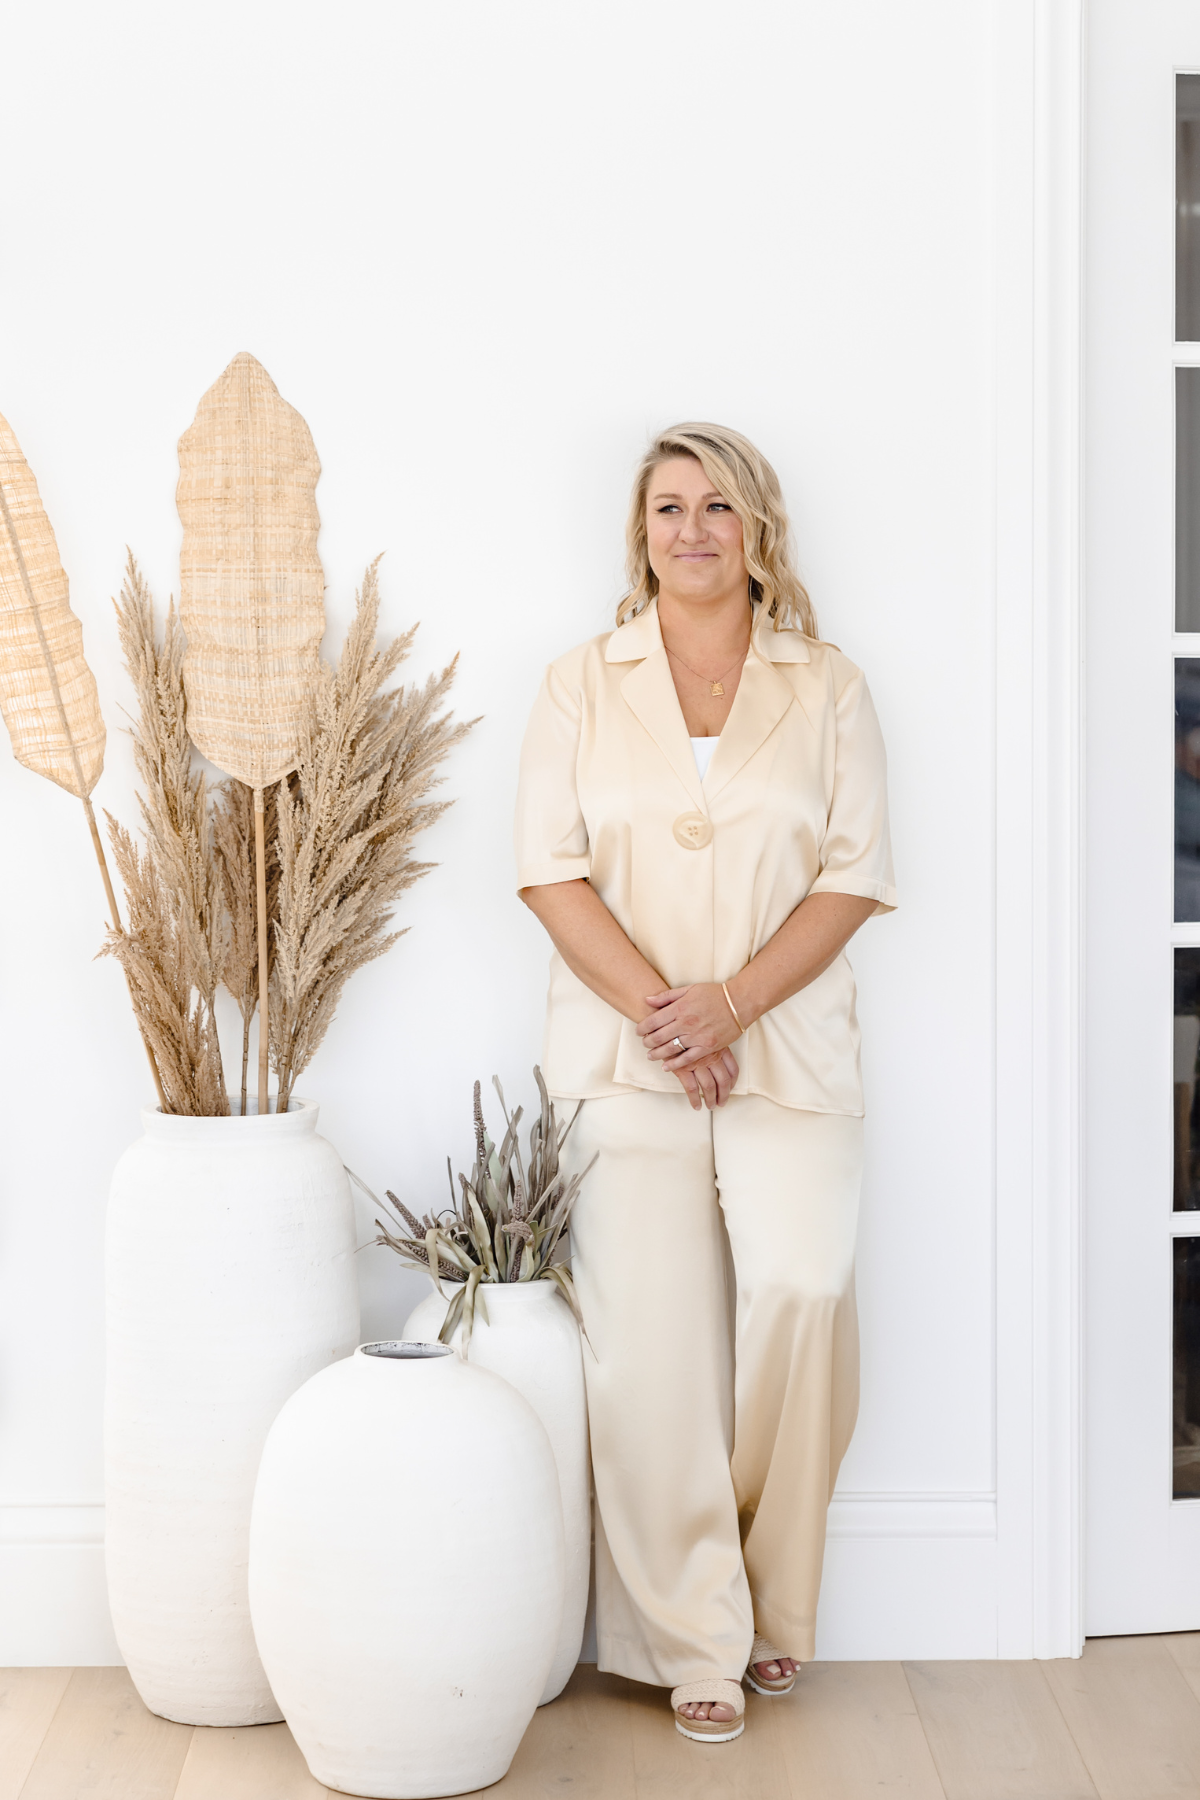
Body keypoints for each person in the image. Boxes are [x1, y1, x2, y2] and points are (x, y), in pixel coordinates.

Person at [515, 423, 895, 1743]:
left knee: (804, 1293)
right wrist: (672, 1018)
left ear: (757, 529)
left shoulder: (828, 686)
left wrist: (732, 1003)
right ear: (642, 533)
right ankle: (693, 1635)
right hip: (625, 1060)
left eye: (718, 505)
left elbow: (855, 876)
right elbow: (548, 871)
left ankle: (772, 1597)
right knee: (652, 1350)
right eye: (669, 506)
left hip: (790, 1049)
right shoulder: (580, 682)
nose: (693, 528)